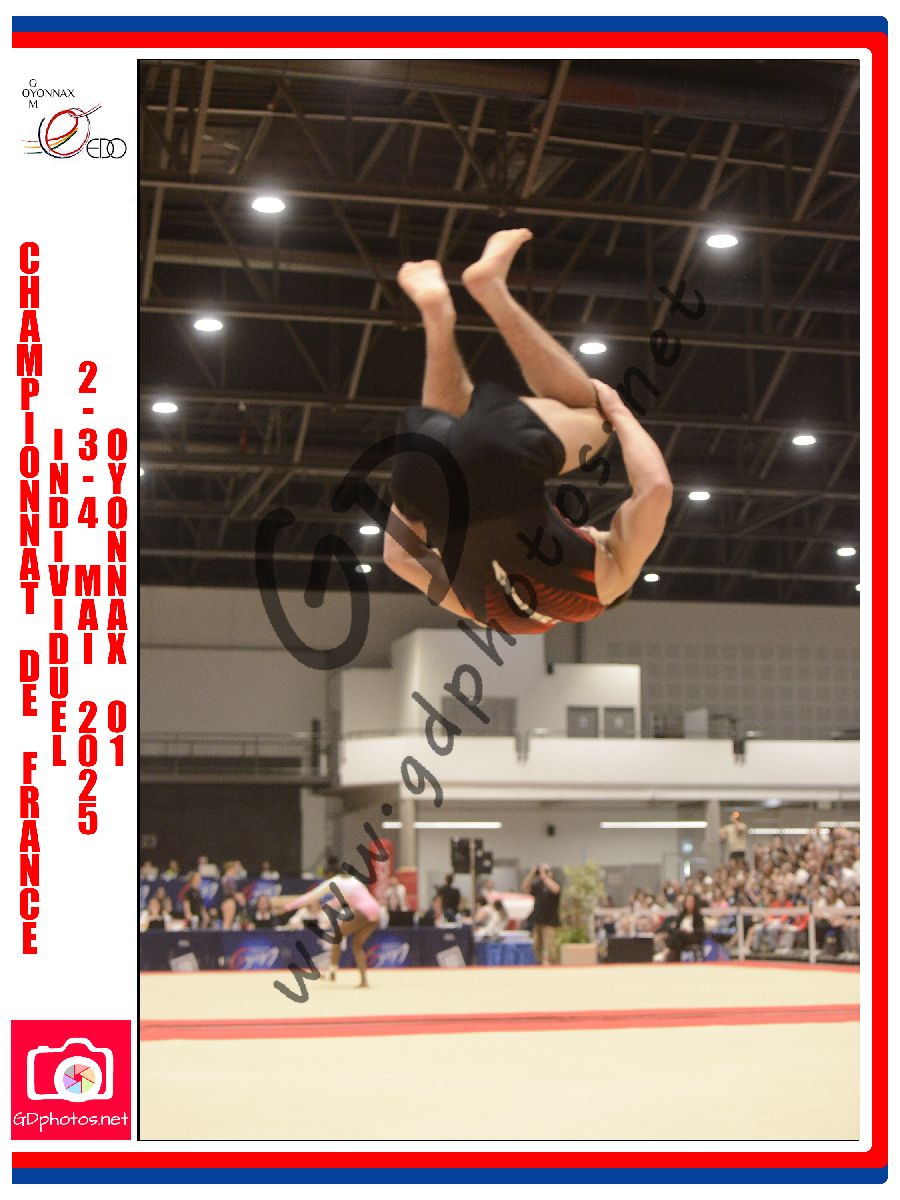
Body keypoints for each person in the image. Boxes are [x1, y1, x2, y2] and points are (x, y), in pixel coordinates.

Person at [383, 228, 673, 635]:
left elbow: (656, 489)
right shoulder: (484, 615)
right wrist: (411, 499)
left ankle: (492, 290)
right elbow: (397, 557)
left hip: (502, 466)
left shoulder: (608, 580)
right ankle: (437, 317)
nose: (587, 530)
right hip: (424, 482)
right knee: (449, 441)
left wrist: (620, 413)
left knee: (594, 415)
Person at [283, 872, 380, 987]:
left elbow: (310, 897)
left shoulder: (334, 881)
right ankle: (364, 981)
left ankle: (332, 971)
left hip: (363, 910)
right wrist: (328, 905)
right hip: (376, 910)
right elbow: (338, 901)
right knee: (357, 945)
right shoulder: (354, 881)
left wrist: (287, 907)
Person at [523, 863, 562, 965]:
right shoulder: (538, 885)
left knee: (551, 946)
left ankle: (554, 964)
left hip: (550, 921)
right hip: (538, 919)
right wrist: (531, 874)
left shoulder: (555, 883)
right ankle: (539, 963)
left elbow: (556, 889)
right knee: (537, 945)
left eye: (546, 871)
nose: (543, 873)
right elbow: (525, 887)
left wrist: (545, 877)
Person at [662, 892, 706, 962]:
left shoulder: (698, 917)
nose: (689, 904)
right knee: (678, 941)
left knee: (678, 935)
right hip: (681, 937)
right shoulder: (681, 916)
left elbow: (700, 930)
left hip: (693, 936)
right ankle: (676, 961)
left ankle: (666, 950)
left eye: (691, 901)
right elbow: (676, 928)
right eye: (687, 902)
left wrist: (690, 931)